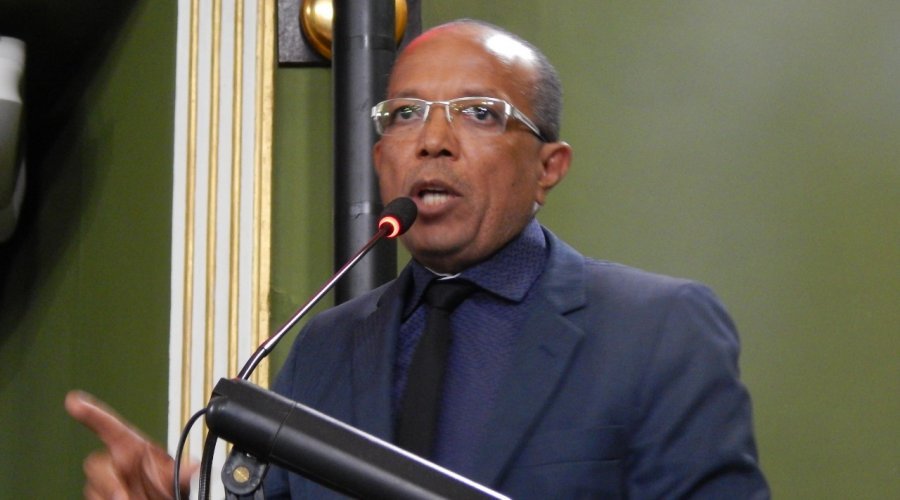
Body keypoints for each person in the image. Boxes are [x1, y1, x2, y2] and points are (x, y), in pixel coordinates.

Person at [66, 19, 769, 499]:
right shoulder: (324, 347)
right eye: (405, 114)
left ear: (548, 167)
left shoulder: (658, 329)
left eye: (479, 112)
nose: (433, 140)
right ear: (382, 161)